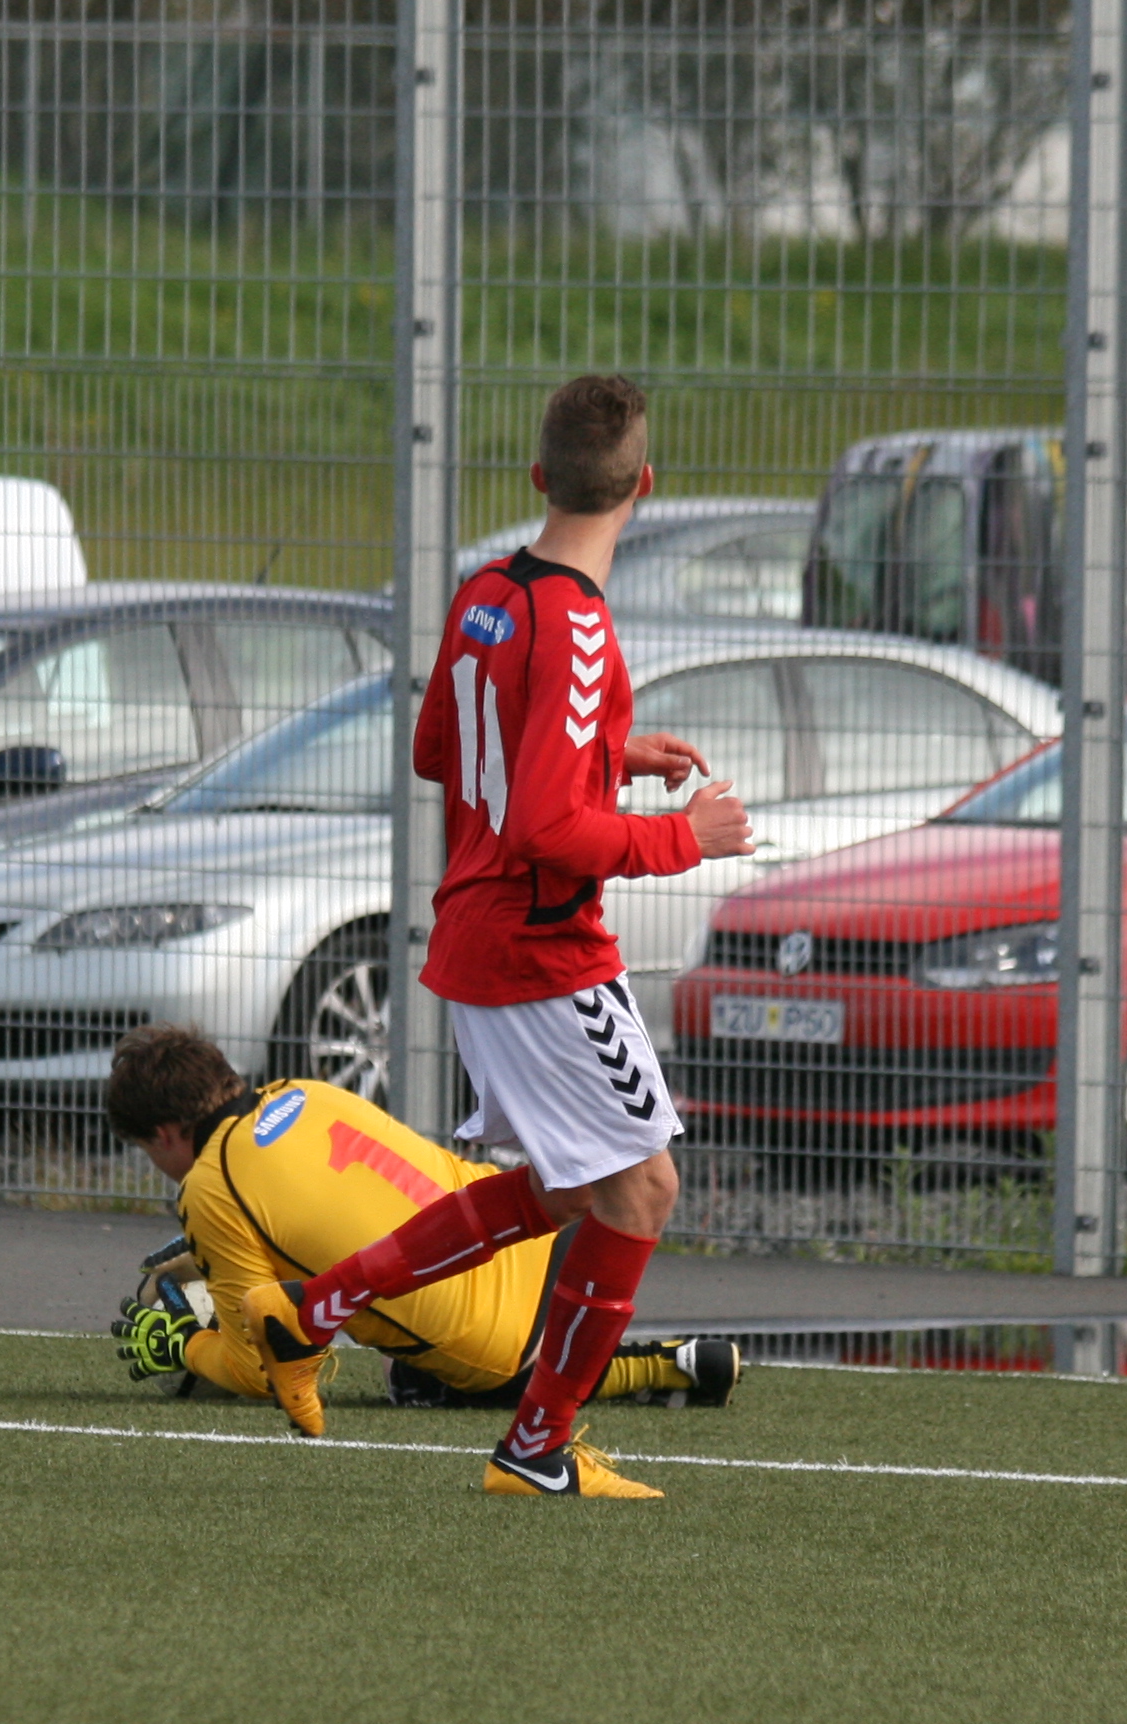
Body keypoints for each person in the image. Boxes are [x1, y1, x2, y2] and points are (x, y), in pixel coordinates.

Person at [248, 373, 748, 1497]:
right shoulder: (578, 623)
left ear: (537, 477)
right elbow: (545, 827)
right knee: (644, 1191)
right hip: (542, 949)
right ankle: (534, 1449)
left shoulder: (486, 593)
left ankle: (306, 1314)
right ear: (646, 485)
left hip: (479, 935)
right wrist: (688, 837)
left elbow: (443, 751)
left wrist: (609, 751)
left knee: (572, 1192)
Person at [99, 1023, 738, 1415]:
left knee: (411, 1378)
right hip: (550, 1234)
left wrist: (186, 1345)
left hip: (500, 1346)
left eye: (148, 1151)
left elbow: (259, 1370)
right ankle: (670, 1363)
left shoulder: (210, 1188)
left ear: (165, 1134)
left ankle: (648, 1368)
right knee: (413, 1325)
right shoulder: (303, 1092)